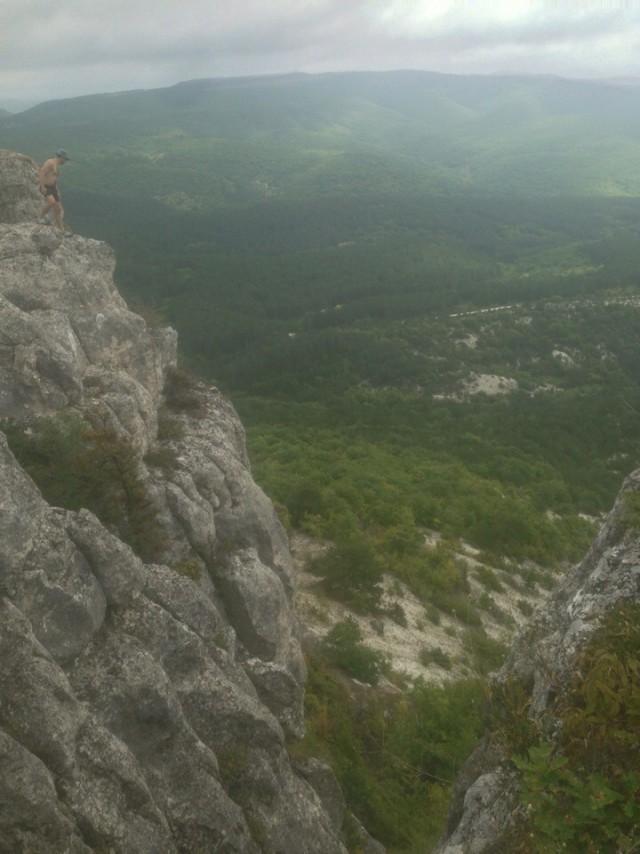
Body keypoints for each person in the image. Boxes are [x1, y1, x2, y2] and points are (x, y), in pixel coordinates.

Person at [37, 149, 70, 231]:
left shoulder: (56, 166)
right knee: (51, 202)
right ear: (61, 157)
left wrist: (57, 191)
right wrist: (42, 186)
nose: (65, 161)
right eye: (65, 159)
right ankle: (39, 218)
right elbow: (42, 172)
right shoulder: (51, 162)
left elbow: (54, 180)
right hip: (46, 186)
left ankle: (62, 231)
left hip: (53, 188)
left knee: (58, 210)